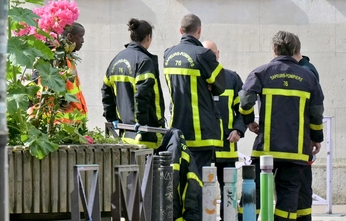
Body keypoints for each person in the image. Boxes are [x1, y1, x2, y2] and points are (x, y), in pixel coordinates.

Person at [239, 31, 325, 221]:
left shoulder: (262, 72)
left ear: (274, 50)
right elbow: (316, 113)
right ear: (296, 51)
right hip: (296, 149)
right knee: (288, 193)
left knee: (256, 190)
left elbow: (244, 100)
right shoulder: (308, 77)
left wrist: (249, 120)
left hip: (266, 147)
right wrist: (317, 138)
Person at [163, 14, 226, 171]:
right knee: (198, 181)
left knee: (179, 176)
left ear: (180, 30)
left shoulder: (168, 54)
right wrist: (207, 85)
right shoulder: (203, 54)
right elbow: (220, 86)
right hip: (201, 132)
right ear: (199, 30)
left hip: (177, 129)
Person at [101, 18, 166, 148]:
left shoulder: (116, 60)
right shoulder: (144, 61)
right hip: (147, 134)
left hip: (125, 133)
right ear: (148, 38)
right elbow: (142, 94)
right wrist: (142, 122)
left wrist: (111, 117)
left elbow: (106, 91)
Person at [203, 40, 246, 221]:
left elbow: (243, 110)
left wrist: (238, 130)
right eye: (206, 53)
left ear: (218, 54)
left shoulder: (232, 78)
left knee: (228, 189)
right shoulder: (196, 79)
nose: (211, 57)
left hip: (227, 146)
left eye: (213, 53)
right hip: (204, 146)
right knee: (204, 188)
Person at [291, 43, 322, 221]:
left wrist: (315, 136)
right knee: (299, 182)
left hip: (300, 137)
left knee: (301, 183)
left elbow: (315, 108)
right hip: (298, 136)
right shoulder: (306, 70)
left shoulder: (305, 71)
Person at [60, 22, 89, 124]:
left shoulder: (68, 58)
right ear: (70, 37)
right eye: (81, 36)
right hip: (63, 124)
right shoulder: (58, 58)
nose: (83, 41)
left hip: (73, 124)